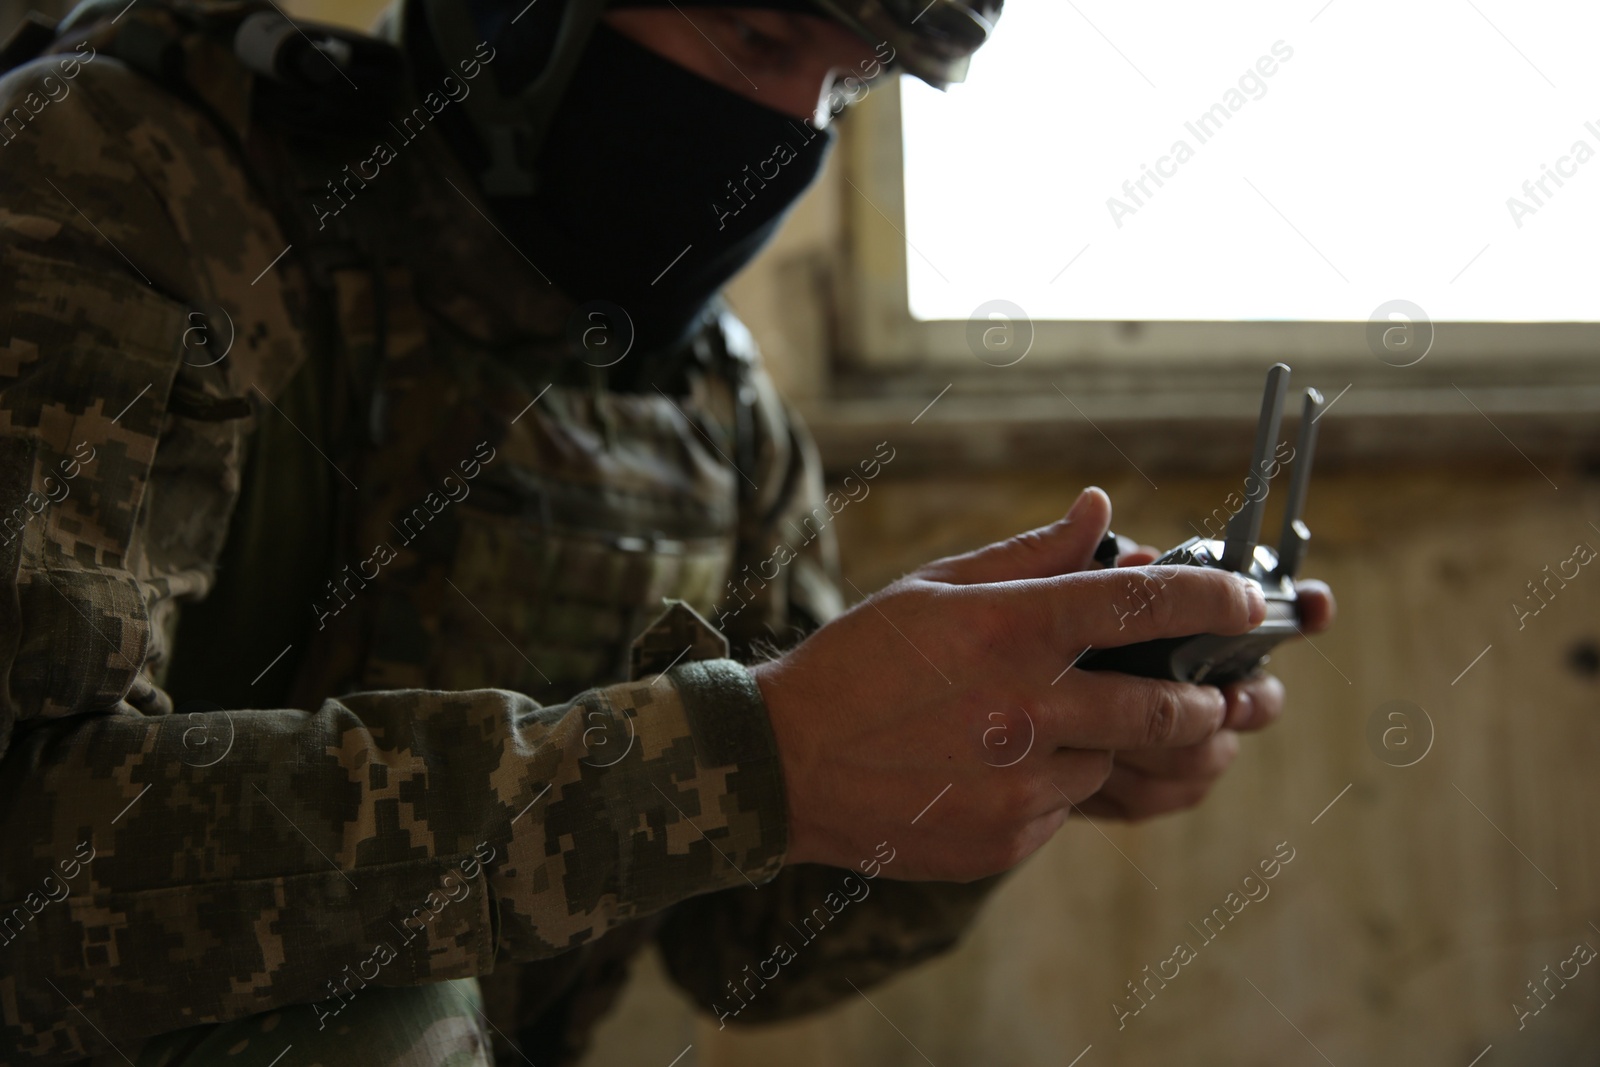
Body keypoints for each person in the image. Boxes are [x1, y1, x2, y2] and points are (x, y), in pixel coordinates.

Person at [0, 0, 1334, 1063]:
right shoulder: (126, 183)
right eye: (751, 33)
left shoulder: (714, 412)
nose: (783, 129)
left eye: (845, 84)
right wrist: (756, 755)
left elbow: (745, 955)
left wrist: (1015, 753)